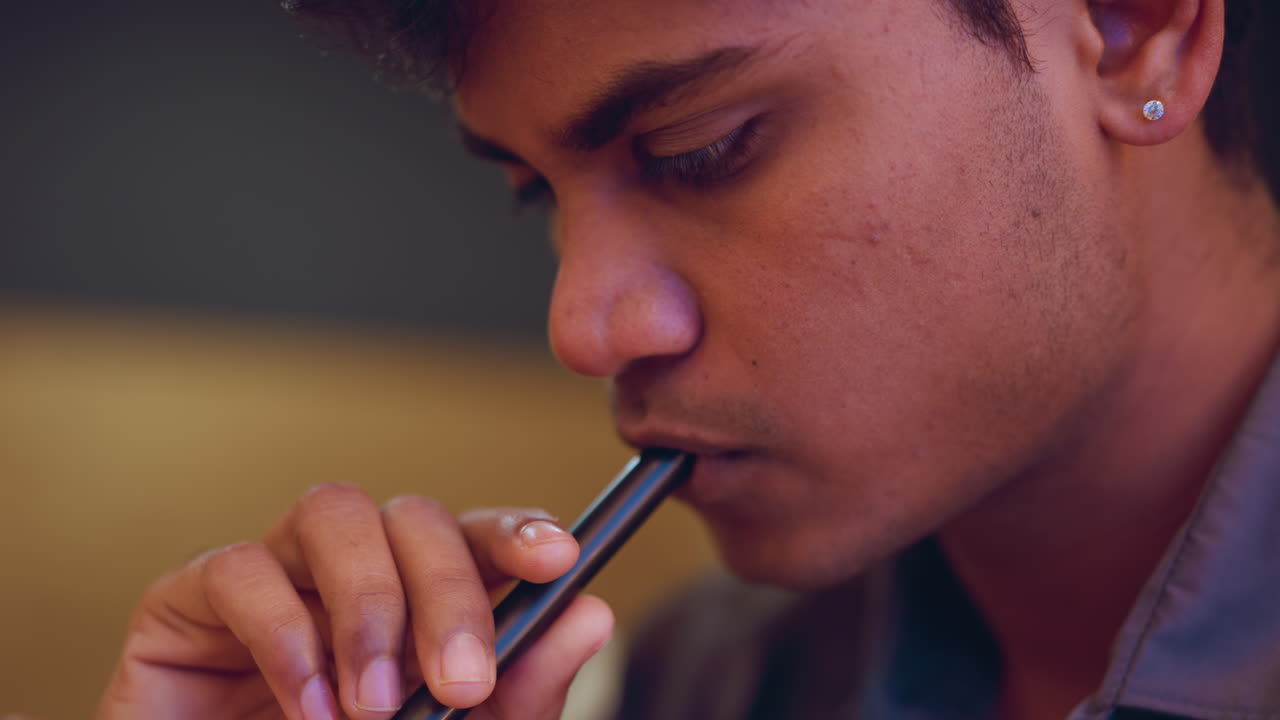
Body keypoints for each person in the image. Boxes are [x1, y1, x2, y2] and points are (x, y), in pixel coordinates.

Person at [95, 0, 1280, 718]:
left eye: (702, 149)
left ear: (1132, 33)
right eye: (532, 197)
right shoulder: (698, 686)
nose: (584, 328)